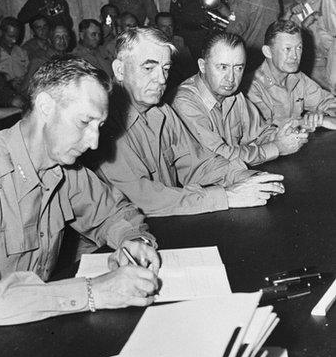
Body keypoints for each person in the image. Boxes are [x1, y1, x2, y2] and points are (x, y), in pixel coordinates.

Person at [0, 57, 160, 332]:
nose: (94, 141)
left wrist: (132, 241)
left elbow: (116, 211)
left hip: (26, 322)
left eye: (99, 126)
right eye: (85, 122)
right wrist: (92, 292)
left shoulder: (62, 166)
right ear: (46, 106)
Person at [87, 27, 284, 218]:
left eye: (165, 68)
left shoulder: (161, 111)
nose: (161, 79)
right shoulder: (104, 122)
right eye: (149, 68)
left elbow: (197, 163)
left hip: (166, 220)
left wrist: (244, 176)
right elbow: (143, 198)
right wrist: (228, 196)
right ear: (120, 70)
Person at [171, 32, 307, 166]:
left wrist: (282, 136)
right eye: (223, 67)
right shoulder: (184, 101)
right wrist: (277, 147)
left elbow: (260, 132)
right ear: (202, 66)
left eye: (238, 68)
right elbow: (219, 156)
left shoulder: (233, 95)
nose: (230, 78)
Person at [245, 20, 336, 131]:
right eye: (287, 49)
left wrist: (323, 116)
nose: (294, 56)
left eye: (299, 48)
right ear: (268, 52)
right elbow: (264, 134)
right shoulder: (251, 88)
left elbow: (329, 103)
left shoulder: (297, 78)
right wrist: (305, 122)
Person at [285, 0, 328, 89]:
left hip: (325, 72)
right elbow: (283, 34)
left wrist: (317, 18)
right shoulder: (300, 5)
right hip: (306, 71)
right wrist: (288, 13)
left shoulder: (328, 1)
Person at [155, 11, 196, 92]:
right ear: (156, 27)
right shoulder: (152, 44)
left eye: (170, 26)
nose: (168, 30)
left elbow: (190, 69)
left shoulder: (179, 42)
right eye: (163, 26)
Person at [0, 17, 29, 92]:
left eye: (16, 37)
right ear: (1, 33)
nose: (14, 40)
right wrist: (8, 84)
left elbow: (28, 74)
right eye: (10, 36)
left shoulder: (21, 52)